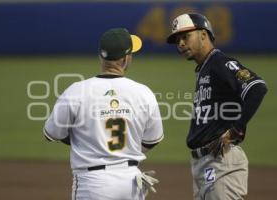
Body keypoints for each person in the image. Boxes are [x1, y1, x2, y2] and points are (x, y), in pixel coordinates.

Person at [43, 28, 164, 200]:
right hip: (130, 182)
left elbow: (52, 134)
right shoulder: (144, 93)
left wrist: (88, 140)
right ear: (125, 59)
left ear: (101, 56)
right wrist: (123, 152)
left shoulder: (75, 91)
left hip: (92, 184)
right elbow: (153, 139)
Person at [167, 13, 267, 200]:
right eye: (177, 40)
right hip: (205, 164)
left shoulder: (219, 62)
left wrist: (237, 127)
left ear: (204, 35)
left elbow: (257, 87)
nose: (180, 43)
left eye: (185, 36)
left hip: (220, 161)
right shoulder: (205, 68)